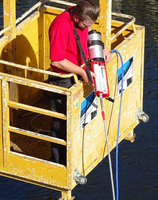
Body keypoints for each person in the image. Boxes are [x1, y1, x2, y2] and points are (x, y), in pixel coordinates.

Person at [48, 0, 111, 165]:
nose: (86, 27)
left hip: (78, 72)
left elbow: (88, 30)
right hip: (63, 79)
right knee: (62, 122)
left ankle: (75, 153)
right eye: (84, 25)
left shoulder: (82, 20)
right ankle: (60, 162)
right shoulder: (61, 26)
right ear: (76, 17)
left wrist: (102, 46)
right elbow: (57, 61)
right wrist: (83, 72)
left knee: (78, 119)